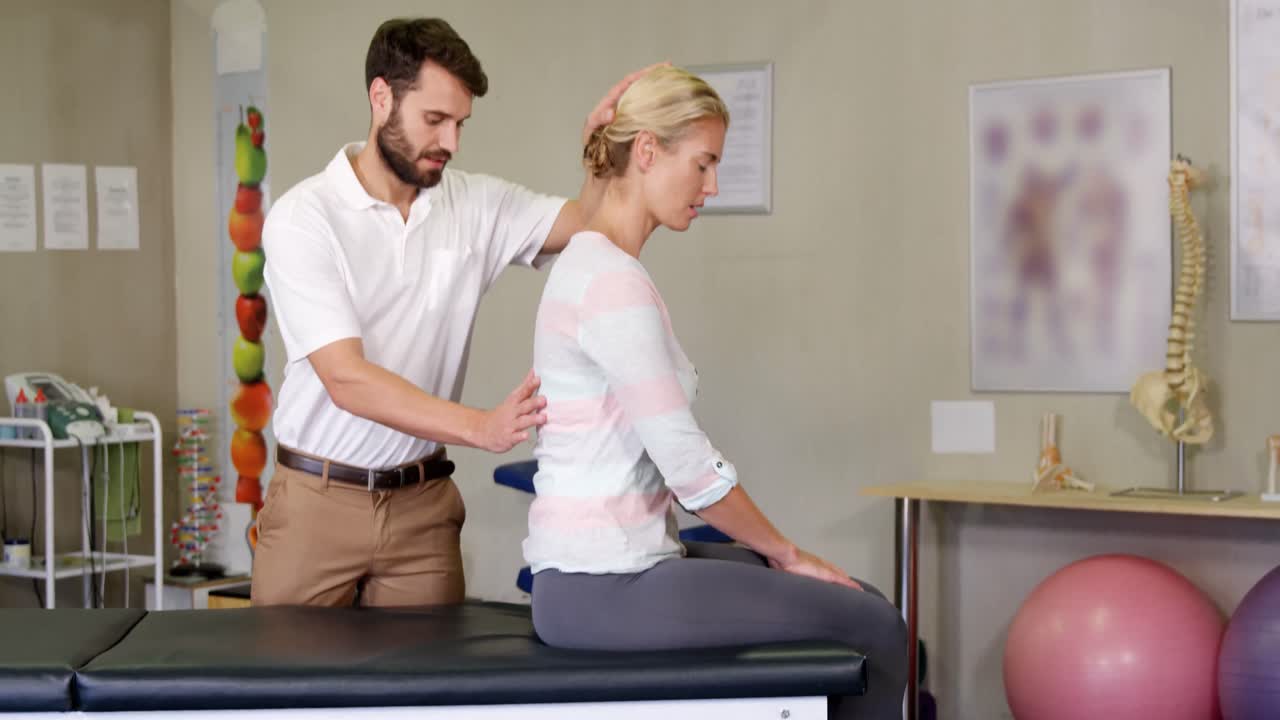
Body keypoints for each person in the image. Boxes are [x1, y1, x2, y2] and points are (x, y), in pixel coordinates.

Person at [524, 66, 908, 719]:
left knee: (860, 599)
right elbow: (690, 470)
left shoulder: (596, 265)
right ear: (648, 151)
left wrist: (780, 556)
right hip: (601, 587)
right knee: (876, 626)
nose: (713, 186)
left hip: (611, 570)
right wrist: (787, 552)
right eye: (703, 164)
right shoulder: (610, 282)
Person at [252, 16, 655, 608]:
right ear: (381, 98)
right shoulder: (304, 218)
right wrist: (479, 427)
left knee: (432, 671)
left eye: (460, 123)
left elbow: (589, 226)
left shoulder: (474, 204)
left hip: (422, 511)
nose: (451, 142)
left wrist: (604, 158)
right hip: (317, 501)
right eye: (435, 119)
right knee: (287, 671)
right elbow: (345, 378)